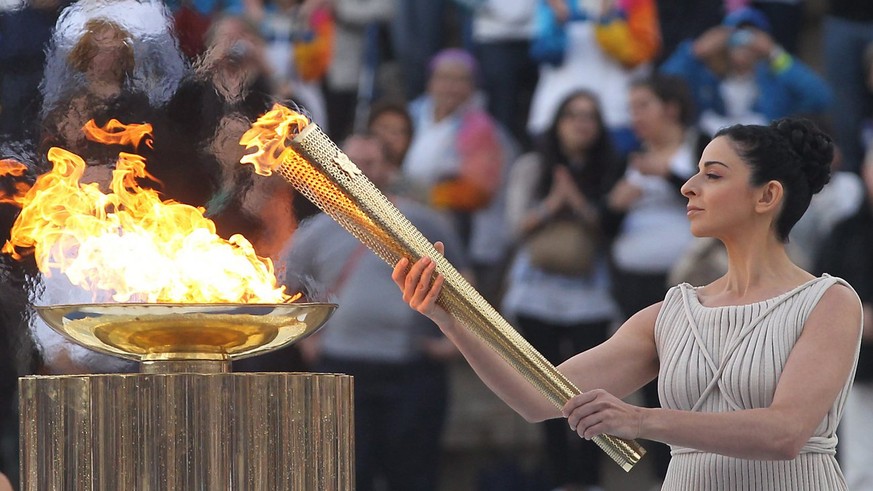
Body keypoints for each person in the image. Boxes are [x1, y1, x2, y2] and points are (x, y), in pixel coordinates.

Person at [392, 118, 863, 489]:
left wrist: (640, 419)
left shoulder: (829, 302)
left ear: (767, 195)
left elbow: (784, 434)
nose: (688, 186)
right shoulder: (670, 314)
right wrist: (449, 315)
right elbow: (538, 396)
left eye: (712, 175)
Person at [282, 134, 468, 491]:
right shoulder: (316, 231)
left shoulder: (423, 223)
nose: (357, 173)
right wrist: (309, 341)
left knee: (413, 475)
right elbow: (288, 288)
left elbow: (465, 287)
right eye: (347, 165)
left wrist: (453, 345)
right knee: (347, 475)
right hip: (343, 368)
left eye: (367, 164)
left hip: (412, 369)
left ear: (387, 168)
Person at [500, 90, 622, 489]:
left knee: (590, 391)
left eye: (590, 116)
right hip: (538, 291)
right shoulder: (534, 166)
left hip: (590, 293)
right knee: (547, 392)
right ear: (557, 122)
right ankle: (559, 479)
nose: (581, 123)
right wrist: (554, 203)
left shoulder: (608, 167)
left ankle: (589, 479)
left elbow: (613, 230)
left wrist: (582, 205)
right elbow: (513, 227)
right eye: (572, 115)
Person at [660, 7, 832, 137]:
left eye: (752, 36)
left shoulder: (776, 82)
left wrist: (776, 54)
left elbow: (821, 97)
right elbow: (663, 86)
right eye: (737, 35)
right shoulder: (706, 79)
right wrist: (695, 51)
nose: (744, 43)